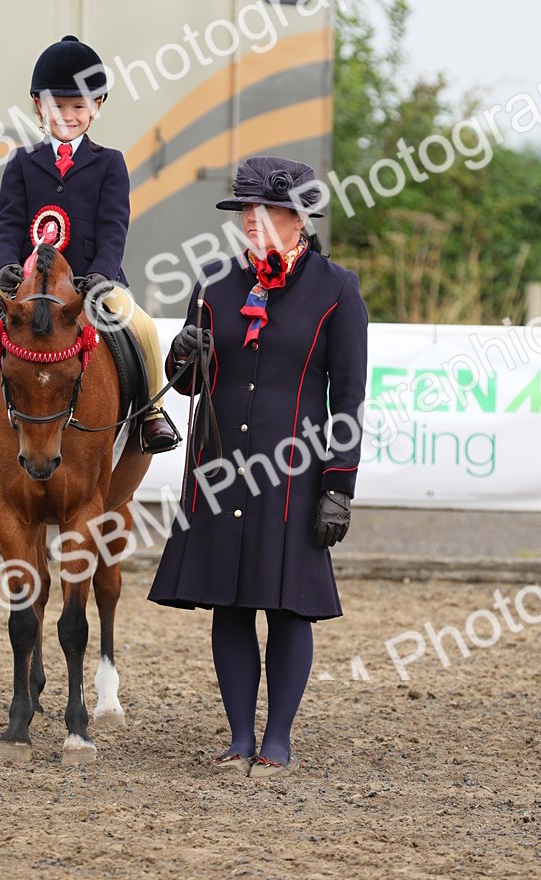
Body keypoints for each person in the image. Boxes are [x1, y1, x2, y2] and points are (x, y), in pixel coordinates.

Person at [148, 155, 368, 778]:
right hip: (218, 472)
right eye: (243, 210)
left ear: (296, 217)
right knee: (230, 602)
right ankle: (239, 735)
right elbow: (189, 383)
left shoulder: (337, 290)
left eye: (263, 209)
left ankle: (278, 739)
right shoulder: (214, 283)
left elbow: (348, 399)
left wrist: (339, 489)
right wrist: (179, 357)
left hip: (295, 474)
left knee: (289, 606)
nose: (250, 220)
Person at [0, 34, 177, 454]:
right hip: (24, 282)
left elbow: (114, 227)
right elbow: (8, 223)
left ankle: (151, 415)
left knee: (143, 326)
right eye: (59, 106)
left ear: (97, 106)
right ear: (39, 105)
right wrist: (3, 264)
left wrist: (103, 275)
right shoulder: (22, 162)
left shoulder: (110, 163)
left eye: (79, 106)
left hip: (88, 282)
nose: (69, 116)